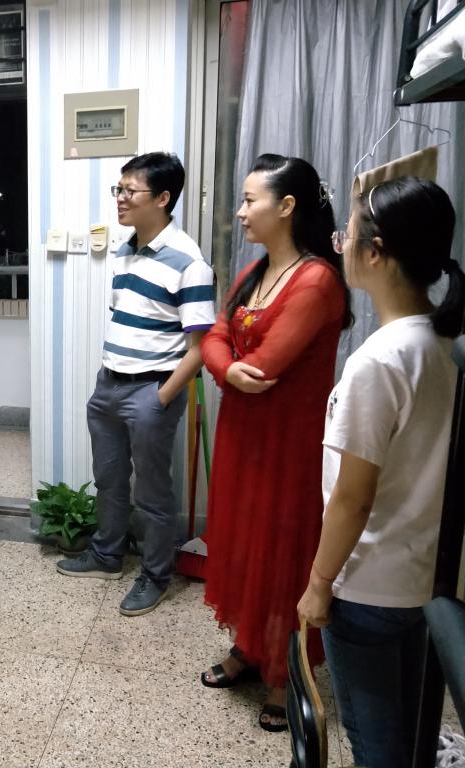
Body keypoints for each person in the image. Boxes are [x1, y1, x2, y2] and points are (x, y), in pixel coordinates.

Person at [298, 177, 461, 768]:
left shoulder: (380, 360)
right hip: (424, 578)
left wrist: (320, 584)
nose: (340, 244)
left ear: (376, 252)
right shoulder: (447, 342)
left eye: (347, 235)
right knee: (410, 729)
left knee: (375, 746)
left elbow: (353, 498)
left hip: (367, 584)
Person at [199, 154, 351, 731]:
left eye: (249, 200)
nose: (240, 212)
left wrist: (233, 367)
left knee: (283, 549)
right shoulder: (256, 271)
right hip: (243, 433)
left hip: (288, 443)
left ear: (286, 206)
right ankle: (248, 646)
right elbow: (215, 335)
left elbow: (266, 367)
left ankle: (288, 673)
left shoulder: (316, 280)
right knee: (245, 541)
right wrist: (226, 368)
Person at [56, 152, 215, 617]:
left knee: (152, 492)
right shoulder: (126, 250)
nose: (120, 199)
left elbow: (201, 347)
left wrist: (160, 398)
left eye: (130, 191)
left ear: (163, 198)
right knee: (108, 479)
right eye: (119, 189)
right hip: (109, 385)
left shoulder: (189, 262)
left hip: (151, 391)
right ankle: (107, 554)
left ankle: (155, 575)